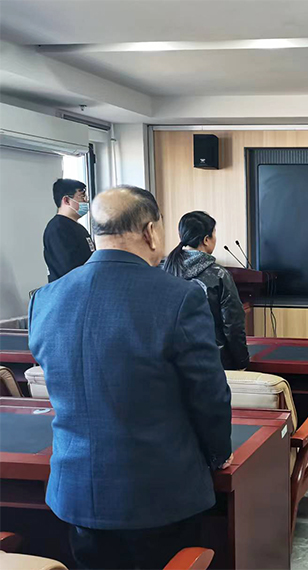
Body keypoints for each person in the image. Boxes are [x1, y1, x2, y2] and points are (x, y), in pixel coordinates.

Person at [28, 186, 232, 569]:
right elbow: (209, 396)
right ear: (151, 231)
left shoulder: (46, 298)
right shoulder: (179, 298)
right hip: (159, 495)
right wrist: (219, 453)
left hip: (77, 492)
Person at [162, 211, 249, 370]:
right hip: (213, 362)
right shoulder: (219, 274)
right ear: (206, 240)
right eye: (214, 234)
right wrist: (241, 363)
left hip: (172, 362)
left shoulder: (165, 271)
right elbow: (233, 325)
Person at [43, 178, 95, 282]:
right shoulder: (58, 229)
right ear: (66, 200)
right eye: (82, 196)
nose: (86, 201)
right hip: (71, 288)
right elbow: (69, 269)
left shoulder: (78, 227)